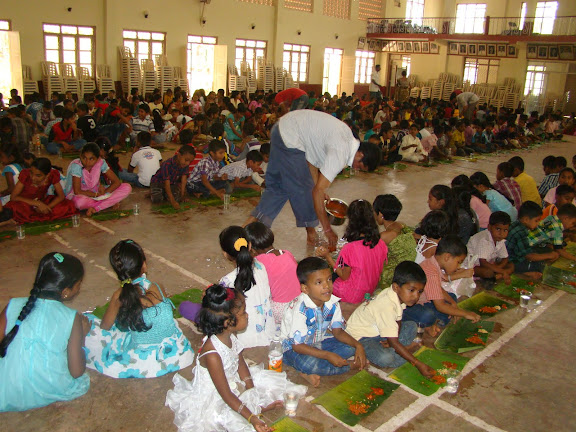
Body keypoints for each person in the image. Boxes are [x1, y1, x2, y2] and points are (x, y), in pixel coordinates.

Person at [166, 284, 305, 432]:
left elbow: (240, 363)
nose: (247, 315)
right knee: (233, 420)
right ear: (228, 322)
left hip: (232, 381)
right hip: (218, 395)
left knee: (265, 387)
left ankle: (254, 407)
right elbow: (226, 395)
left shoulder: (229, 334)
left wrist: (253, 393)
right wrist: (252, 418)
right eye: (243, 312)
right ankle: (251, 412)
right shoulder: (212, 354)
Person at [245, 110, 381, 248]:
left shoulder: (347, 138)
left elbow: (312, 163)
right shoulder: (341, 152)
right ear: (361, 155)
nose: (357, 169)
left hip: (280, 129)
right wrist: (328, 229)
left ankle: (245, 230)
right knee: (303, 190)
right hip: (289, 137)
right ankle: (311, 235)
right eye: (361, 166)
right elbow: (316, 191)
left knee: (278, 190)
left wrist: (317, 188)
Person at [84, 240, 194, 378]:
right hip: (177, 352)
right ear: (144, 265)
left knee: (89, 324)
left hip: (142, 357)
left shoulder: (119, 296)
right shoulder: (157, 287)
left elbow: (105, 326)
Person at [0, 252, 89, 412]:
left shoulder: (13, 305)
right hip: (49, 388)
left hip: (5, 391)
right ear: (66, 291)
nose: (79, 288)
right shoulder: (71, 317)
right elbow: (76, 372)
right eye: (78, 284)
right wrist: (82, 336)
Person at [281, 257, 367, 387]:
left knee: (350, 348)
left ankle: (311, 370)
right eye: (319, 282)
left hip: (318, 342)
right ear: (305, 289)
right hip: (293, 348)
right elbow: (297, 346)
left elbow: (338, 332)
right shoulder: (300, 309)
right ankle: (347, 366)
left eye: (329, 279)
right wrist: (327, 355)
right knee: (309, 364)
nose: (326, 286)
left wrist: (358, 345)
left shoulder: (332, 303)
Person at [346, 261, 434, 376]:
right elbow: (394, 339)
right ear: (396, 287)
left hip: (379, 330)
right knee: (385, 358)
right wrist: (418, 364)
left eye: (419, 291)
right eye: (411, 290)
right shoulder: (386, 305)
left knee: (412, 326)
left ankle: (399, 350)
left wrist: (393, 338)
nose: (416, 296)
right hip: (362, 338)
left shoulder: (398, 296)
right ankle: (401, 352)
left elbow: (398, 319)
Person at [403, 236, 481, 336]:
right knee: (428, 315)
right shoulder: (430, 271)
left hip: (425, 301)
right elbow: (439, 305)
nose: (458, 266)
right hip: (408, 306)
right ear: (447, 257)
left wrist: (453, 303)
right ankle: (427, 324)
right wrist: (465, 313)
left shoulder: (433, 263)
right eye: (458, 262)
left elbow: (437, 288)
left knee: (451, 297)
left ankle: (434, 322)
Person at [315, 200, 388, 303]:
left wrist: (327, 257)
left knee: (326, 279)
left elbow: (344, 276)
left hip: (351, 295)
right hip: (369, 290)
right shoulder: (381, 244)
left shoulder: (349, 248)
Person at [219, 226, 275, 348]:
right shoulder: (261, 267)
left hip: (244, 340)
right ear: (249, 246)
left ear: (225, 254)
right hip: (269, 332)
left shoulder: (227, 281)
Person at [245, 222, 301, 326]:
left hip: (280, 310)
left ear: (251, 248)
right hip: (300, 303)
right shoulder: (287, 253)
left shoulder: (259, 262)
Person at [63, 143, 131, 216]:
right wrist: (96, 195)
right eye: (84, 158)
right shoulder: (77, 166)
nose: (87, 162)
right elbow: (77, 191)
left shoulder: (101, 163)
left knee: (126, 187)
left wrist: (104, 193)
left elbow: (116, 182)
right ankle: (107, 203)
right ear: (80, 156)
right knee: (79, 203)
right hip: (82, 195)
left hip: (96, 191)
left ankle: (96, 208)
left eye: (91, 159)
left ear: (97, 159)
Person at [5, 158, 77, 223]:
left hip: (43, 201)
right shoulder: (25, 174)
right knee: (15, 208)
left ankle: (40, 213)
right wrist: (37, 204)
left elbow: (61, 196)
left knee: (68, 204)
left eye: (38, 175)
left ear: (47, 175)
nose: (33, 178)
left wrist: (46, 207)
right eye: (31, 173)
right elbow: (13, 197)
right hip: (25, 203)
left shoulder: (52, 174)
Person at [506, 201, 559, 277]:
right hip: (512, 260)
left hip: (518, 254)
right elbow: (529, 256)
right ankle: (523, 273)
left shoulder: (517, 224)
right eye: (536, 220)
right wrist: (549, 256)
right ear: (526, 220)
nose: (538, 223)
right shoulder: (520, 232)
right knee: (539, 264)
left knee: (543, 251)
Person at [373, 194, 417, 287]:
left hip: (396, 276)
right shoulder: (401, 225)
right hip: (410, 268)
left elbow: (367, 250)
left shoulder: (385, 236)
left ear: (380, 215)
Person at [467, 212, 514, 283]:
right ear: (489, 227)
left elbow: (505, 258)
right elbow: (483, 263)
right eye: (498, 229)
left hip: (490, 264)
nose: (501, 233)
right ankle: (496, 276)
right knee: (488, 272)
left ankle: (496, 276)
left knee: (511, 265)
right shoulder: (483, 239)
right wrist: (502, 271)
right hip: (474, 266)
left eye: (505, 230)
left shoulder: (500, 240)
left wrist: (499, 268)